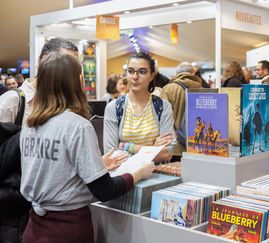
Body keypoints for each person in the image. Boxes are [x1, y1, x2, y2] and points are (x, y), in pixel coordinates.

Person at [20, 52, 154, 243]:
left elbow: (51, 171)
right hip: (67, 230)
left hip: (33, 229)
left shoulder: (29, 123)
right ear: (73, 83)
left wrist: (97, 164)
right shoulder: (77, 126)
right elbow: (104, 190)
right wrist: (137, 174)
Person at [0, 37, 80, 243]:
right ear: (44, 62)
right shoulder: (14, 100)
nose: (71, 73)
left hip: (45, 210)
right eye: (67, 64)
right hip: (14, 206)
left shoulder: (65, 105)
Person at [104, 51, 176, 162]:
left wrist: (127, 147)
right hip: (124, 176)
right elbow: (111, 154)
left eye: (142, 72)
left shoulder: (163, 106)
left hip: (158, 176)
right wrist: (154, 149)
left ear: (151, 75)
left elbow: (167, 153)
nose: (135, 76)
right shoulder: (113, 107)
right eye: (130, 71)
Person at [160, 62, 202, 161]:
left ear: (177, 73)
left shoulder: (169, 89)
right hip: (197, 145)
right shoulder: (201, 88)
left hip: (175, 147)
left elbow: (161, 116)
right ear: (192, 73)